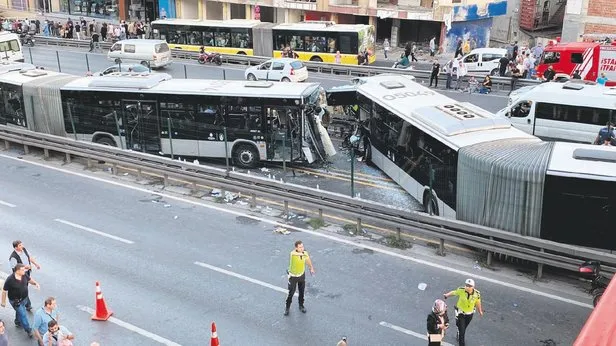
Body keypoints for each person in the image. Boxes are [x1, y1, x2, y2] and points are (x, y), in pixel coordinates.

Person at [1, 264, 40, 337]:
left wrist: (35, 283)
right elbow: (4, 291)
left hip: (24, 298)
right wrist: (3, 302)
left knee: (20, 312)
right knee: (23, 315)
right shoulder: (10, 279)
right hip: (15, 301)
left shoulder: (24, 275)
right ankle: (28, 330)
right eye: (22, 269)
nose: (24, 271)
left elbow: (29, 280)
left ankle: (17, 321)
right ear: (18, 271)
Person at [443, 278, 483, 346]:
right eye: (466, 285)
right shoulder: (461, 290)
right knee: (462, 332)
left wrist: (480, 311)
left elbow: (478, 303)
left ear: (473, 287)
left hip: (470, 314)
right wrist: (447, 295)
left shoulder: (477, 294)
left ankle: (459, 331)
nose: (467, 287)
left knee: (464, 328)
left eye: (469, 286)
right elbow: (454, 292)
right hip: (460, 313)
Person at [284, 240, 315, 316]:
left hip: (301, 275)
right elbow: (298, 254)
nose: (302, 248)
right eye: (300, 247)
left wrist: (311, 268)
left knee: (301, 291)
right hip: (293, 277)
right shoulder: (293, 254)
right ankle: (287, 308)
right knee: (291, 293)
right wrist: (303, 253)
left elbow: (307, 260)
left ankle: (301, 305)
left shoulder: (304, 253)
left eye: (302, 247)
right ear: (296, 248)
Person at [8, 240, 40, 311]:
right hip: (21, 274)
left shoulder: (24, 250)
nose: (22, 246)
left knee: (25, 287)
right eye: (20, 245)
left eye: (21, 244)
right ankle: (27, 304)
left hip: (27, 272)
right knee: (24, 288)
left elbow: (29, 257)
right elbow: (15, 269)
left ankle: (26, 303)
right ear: (15, 248)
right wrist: (26, 267)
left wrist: (36, 264)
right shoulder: (13, 257)